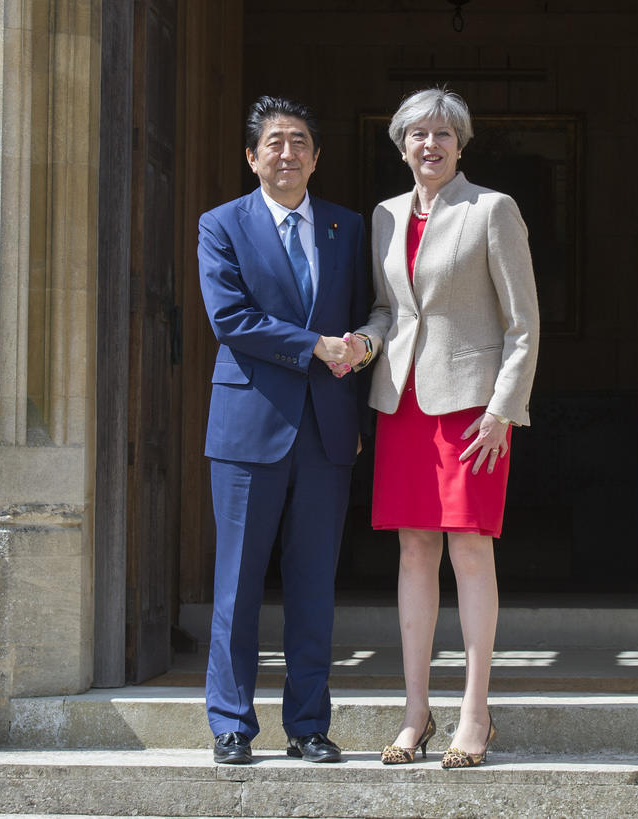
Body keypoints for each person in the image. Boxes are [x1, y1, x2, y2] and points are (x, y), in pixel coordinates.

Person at [345, 88, 540, 768]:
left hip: (471, 412)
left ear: (461, 144)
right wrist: (360, 347)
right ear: (400, 145)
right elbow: (386, 310)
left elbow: (523, 324)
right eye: (418, 134)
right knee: (413, 552)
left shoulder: (492, 210)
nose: (430, 144)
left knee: (470, 551)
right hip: (401, 404)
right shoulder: (385, 216)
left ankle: (475, 712)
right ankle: (415, 712)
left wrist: (500, 410)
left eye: (443, 133)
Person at [197, 96, 368, 766]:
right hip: (247, 428)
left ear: (317, 156)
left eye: (300, 141)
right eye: (274, 142)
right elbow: (230, 318)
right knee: (238, 583)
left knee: (313, 584)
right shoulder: (223, 225)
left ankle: (308, 725)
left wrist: (357, 354)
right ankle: (232, 724)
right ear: (251, 156)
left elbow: (362, 318)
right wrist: (316, 347)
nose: (288, 153)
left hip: (327, 432)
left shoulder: (345, 228)